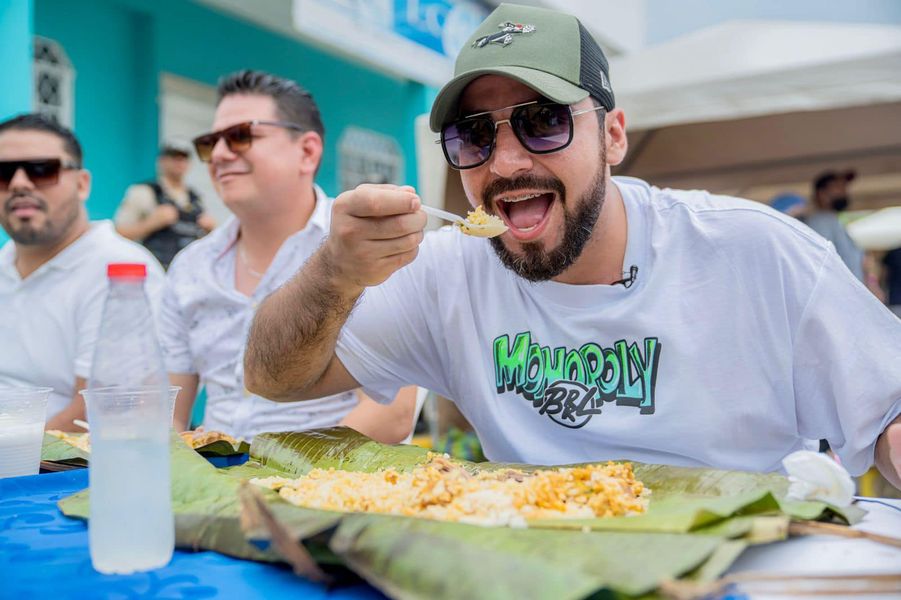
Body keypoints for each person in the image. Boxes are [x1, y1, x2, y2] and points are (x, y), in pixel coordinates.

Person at [243, 4, 901, 488]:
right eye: (473, 136)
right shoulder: (449, 270)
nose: (505, 163)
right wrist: (334, 271)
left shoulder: (750, 251)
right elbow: (274, 380)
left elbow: (887, 416)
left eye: (543, 121)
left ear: (612, 136)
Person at [160, 70, 417, 442]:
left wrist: (278, 470)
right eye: (209, 142)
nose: (218, 155)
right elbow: (169, 412)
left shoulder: (367, 245)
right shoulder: (190, 266)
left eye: (240, 136)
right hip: (212, 473)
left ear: (307, 152)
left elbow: (391, 412)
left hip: (334, 473)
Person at [0, 113, 164, 430]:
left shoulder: (121, 272)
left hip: (61, 460)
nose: (20, 183)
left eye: (41, 169)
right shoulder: (3, 265)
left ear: (82, 184)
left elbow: (99, 408)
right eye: (4, 173)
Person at [115, 141, 215, 268]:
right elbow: (118, 234)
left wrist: (211, 230)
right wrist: (150, 223)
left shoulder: (196, 199)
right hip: (155, 270)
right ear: (162, 160)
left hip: (189, 271)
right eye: (174, 157)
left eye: (183, 158)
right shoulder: (143, 192)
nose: (179, 162)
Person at [803, 170, 864, 281]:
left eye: (844, 187)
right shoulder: (821, 222)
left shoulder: (833, 221)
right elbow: (821, 262)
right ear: (822, 194)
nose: (844, 192)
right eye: (838, 187)